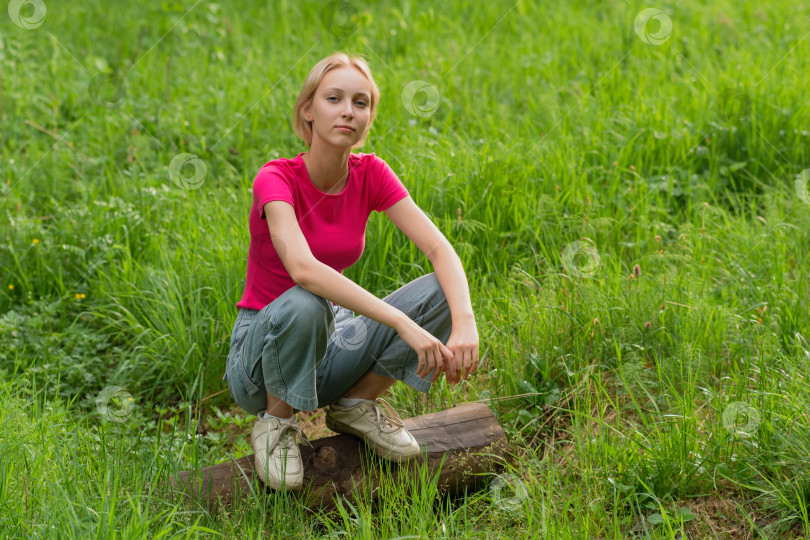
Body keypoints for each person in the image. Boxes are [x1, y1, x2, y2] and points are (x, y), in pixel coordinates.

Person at [222, 51, 479, 492]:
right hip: (259, 360)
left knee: (441, 292)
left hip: (329, 339)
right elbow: (304, 270)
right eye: (334, 98)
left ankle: (357, 402)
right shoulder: (275, 178)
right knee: (306, 304)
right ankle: (277, 424)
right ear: (308, 111)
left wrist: (464, 323)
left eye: (360, 103)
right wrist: (401, 323)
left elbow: (439, 249)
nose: (348, 111)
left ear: (370, 116)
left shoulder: (371, 174)